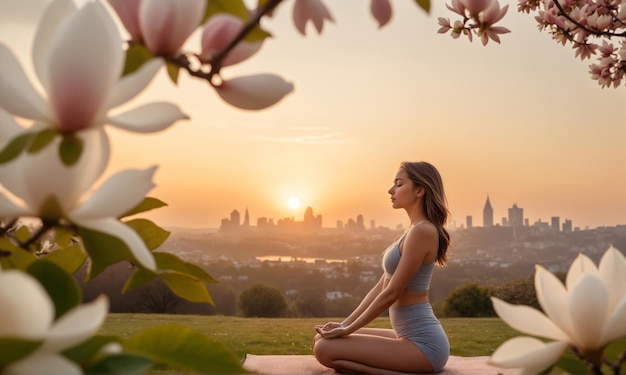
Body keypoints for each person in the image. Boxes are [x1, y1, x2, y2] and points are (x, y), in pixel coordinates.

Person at [313, 161, 451, 374]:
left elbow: (392, 293)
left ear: (420, 190)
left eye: (398, 184)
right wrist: (344, 324)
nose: (391, 190)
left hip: (424, 347)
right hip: (404, 336)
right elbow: (381, 286)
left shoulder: (423, 231)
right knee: (321, 339)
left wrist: (349, 329)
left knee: (324, 348)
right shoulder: (412, 230)